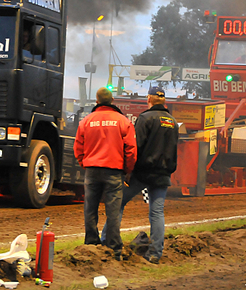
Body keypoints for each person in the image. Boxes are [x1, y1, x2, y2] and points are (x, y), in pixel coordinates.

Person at [73, 87, 137, 259]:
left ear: (97, 101)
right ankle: (114, 247)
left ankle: (91, 243)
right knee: (113, 211)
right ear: (112, 101)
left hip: (92, 170)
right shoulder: (123, 121)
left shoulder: (86, 121)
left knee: (90, 208)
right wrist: (127, 169)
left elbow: (78, 147)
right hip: (114, 170)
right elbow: (131, 149)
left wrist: (84, 163)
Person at [120, 86, 179, 264]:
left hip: (143, 173)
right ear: (164, 100)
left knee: (118, 203)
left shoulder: (145, 118)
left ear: (149, 99)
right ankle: (155, 254)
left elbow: (136, 146)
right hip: (163, 175)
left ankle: (108, 243)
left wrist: (128, 171)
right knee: (157, 212)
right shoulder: (173, 122)